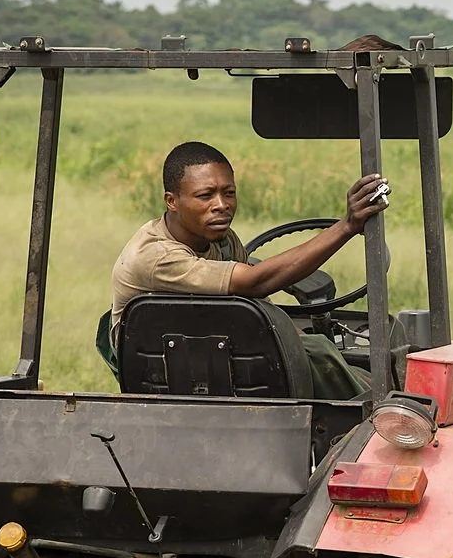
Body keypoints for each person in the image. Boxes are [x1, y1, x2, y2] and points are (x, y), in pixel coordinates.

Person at [108, 141, 387, 394]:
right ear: (172, 201)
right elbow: (254, 282)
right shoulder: (156, 256)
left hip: (224, 357)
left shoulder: (222, 240)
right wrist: (347, 226)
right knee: (323, 353)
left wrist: (294, 337)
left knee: (323, 352)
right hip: (181, 372)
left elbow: (256, 304)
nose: (222, 206)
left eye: (228, 193)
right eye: (205, 196)